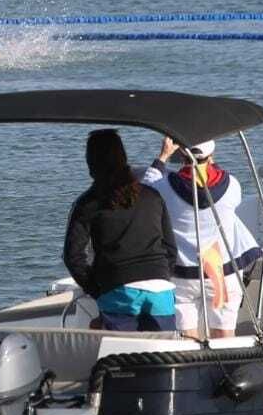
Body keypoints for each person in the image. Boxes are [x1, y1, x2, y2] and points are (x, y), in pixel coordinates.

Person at [142, 137, 263, 340]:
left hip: (182, 277)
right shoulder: (232, 185)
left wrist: (163, 157)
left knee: (187, 339)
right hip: (220, 275)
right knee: (224, 334)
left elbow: (144, 189)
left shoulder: (163, 187)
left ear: (181, 155)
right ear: (211, 155)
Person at [64, 129, 178, 333]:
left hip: (118, 288)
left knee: (121, 357)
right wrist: (161, 273)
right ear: (123, 157)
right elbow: (170, 248)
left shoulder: (87, 204)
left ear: (90, 163)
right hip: (160, 287)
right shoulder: (152, 196)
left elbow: (73, 257)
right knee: (162, 354)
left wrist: (98, 290)